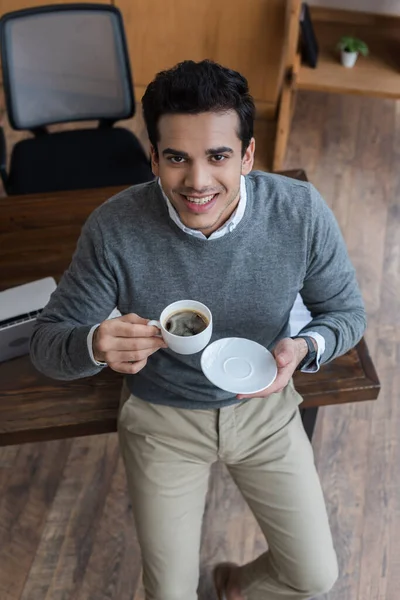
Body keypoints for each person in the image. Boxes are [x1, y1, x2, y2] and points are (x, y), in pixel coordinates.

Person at [31, 59, 366, 600]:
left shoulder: (300, 212)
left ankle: (235, 586)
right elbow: (48, 346)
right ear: (154, 158)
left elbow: (346, 314)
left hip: (263, 411)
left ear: (248, 156)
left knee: (313, 578)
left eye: (218, 156)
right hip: (162, 419)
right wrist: (93, 343)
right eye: (177, 159)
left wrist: (307, 346)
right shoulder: (114, 228)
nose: (197, 182)